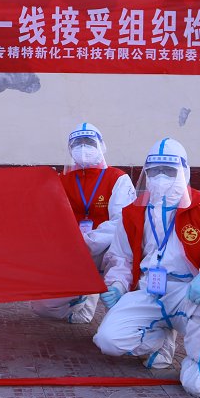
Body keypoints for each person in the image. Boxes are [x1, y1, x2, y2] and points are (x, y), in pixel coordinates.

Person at [92, 138, 200, 398]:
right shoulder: (133, 212)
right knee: (108, 340)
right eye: (154, 171)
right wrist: (117, 284)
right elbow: (121, 257)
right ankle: (158, 340)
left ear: (184, 171)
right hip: (148, 291)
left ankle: (199, 364)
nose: (161, 177)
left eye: (169, 170)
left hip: (188, 291)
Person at [29, 122, 136, 324]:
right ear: (70, 149)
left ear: (101, 146)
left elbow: (121, 221)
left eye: (89, 142)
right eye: (77, 143)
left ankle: (119, 323)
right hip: (72, 249)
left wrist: (88, 241)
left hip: (107, 249)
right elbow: (51, 218)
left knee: (120, 279)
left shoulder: (118, 179)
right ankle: (82, 296)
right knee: (43, 306)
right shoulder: (63, 178)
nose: (83, 147)